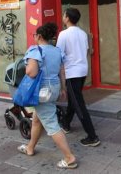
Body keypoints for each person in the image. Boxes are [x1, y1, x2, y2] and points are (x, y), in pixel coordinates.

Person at [16, 22, 77, 169]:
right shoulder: (57, 51)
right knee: (37, 119)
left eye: (34, 35)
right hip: (54, 87)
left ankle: (69, 158)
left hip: (42, 91)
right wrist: (63, 88)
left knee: (50, 123)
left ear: (39, 36)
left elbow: (31, 72)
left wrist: (27, 69)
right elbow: (62, 71)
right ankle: (30, 147)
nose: (34, 37)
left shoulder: (35, 50)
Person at [57, 8, 100, 147]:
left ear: (68, 18)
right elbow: (87, 51)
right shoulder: (83, 33)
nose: (63, 17)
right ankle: (66, 124)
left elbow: (59, 55)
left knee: (79, 104)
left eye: (64, 15)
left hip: (72, 73)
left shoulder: (63, 34)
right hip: (82, 71)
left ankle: (92, 136)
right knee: (73, 100)